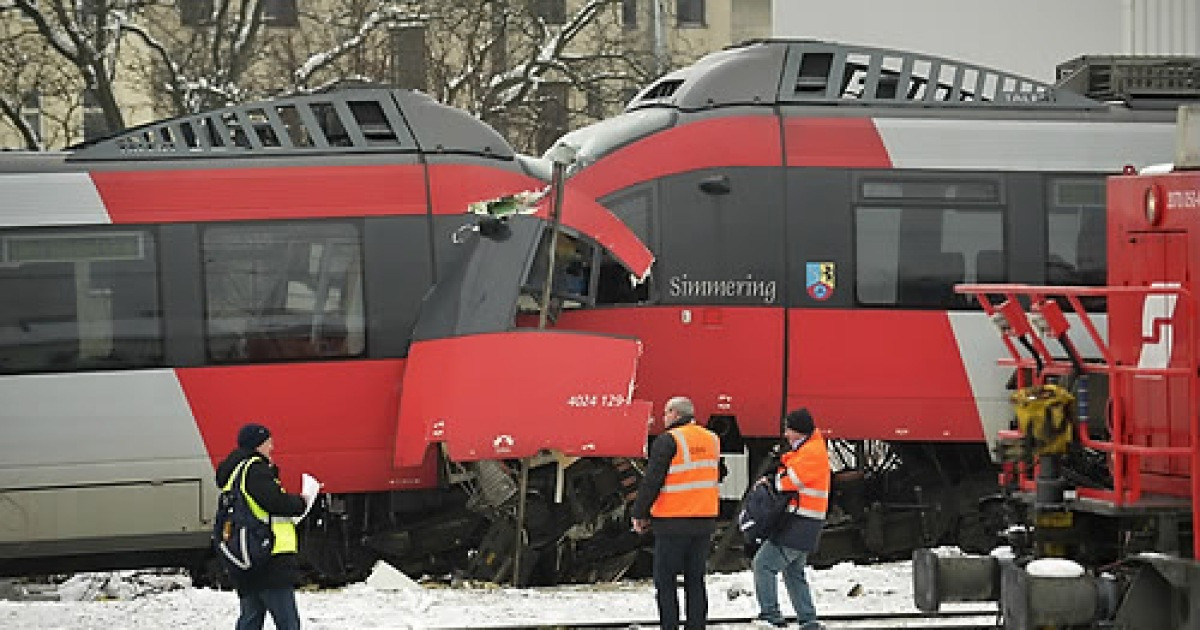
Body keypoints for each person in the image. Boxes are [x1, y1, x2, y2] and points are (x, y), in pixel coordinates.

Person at [631, 396, 722, 630]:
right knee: (695, 580)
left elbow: (653, 480)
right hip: (703, 521)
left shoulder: (668, 440)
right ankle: (696, 626)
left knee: (666, 580)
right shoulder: (712, 439)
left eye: (665, 413)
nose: (663, 418)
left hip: (673, 522)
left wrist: (639, 513)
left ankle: (669, 626)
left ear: (675, 414)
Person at [215, 423, 312, 630]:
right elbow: (274, 502)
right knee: (287, 622)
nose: (272, 447)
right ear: (258, 444)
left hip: (247, 555)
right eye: (268, 442)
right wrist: (301, 502)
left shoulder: (234, 472)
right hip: (269, 555)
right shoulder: (255, 469)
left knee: (250, 618)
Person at [752, 408, 831, 630]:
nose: (786, 434)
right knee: (794, 572)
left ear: (800, 431)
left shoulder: (811, 453)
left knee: (763, 564)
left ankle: (771, 616)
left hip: (799, 522)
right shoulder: (810, 449)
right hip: (805, 521)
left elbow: (788, 482)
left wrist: (772, 481)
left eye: (789, 429)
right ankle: (808, 620)